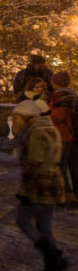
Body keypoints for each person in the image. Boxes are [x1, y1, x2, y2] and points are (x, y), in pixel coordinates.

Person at [12, 99, 68, 271]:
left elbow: (33, 164)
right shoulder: (50, 128)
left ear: (27, 117)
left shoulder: (35, 132)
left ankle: (52, 255)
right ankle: (52, 270)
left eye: (18, 117)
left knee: (22, 220)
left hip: (38, 184)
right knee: (45, 226)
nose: (17, 121)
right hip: (53, 181)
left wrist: (24, 191)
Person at [48, 72, 78, 202]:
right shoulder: (74, 95)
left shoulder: (60, 97)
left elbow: (58, 117)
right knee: (75, 168)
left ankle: (66, 195)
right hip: (75, 137)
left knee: (61, 168)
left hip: (63, 137)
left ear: (56, 83)